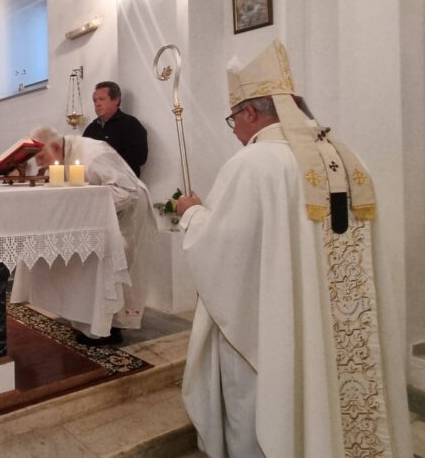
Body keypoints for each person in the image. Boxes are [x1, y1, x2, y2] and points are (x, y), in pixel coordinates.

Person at [174, 39, 411, 457]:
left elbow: (224, 251)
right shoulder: (349, 158)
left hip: (277, 329)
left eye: (233, 120)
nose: (236, 131)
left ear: (249, 112)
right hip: (340, 328)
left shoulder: (254, 163)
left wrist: (191, 213)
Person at [29, 127, 156, 345]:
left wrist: (87, 207)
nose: (39, 164)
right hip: (103, 217)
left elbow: (127, 192)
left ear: (56, 147)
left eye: (41, 157)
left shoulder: (93, 155)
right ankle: (95, 323)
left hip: (128, 214)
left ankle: (111, 328)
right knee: (95, 270)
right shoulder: (64, 154)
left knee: (117, 270)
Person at [82, 81, 148, 177]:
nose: (97, 104)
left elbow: (139, 158)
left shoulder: (130, 124)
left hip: (123, 181)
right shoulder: (91, 129)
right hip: (94, 181)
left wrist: (104, 160)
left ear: (116, 100)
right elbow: (82, 156)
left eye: (101, 99)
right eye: (95, 100)